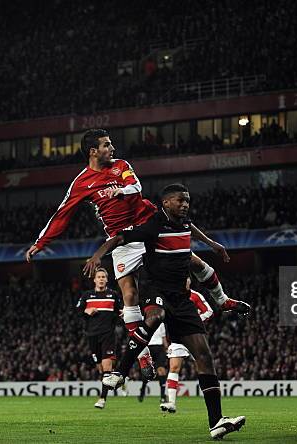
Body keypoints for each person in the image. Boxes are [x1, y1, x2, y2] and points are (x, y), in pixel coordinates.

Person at [25, 129, 247, 378]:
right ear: (93, 151)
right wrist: (41, 242)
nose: (112, 148)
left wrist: (121, 191)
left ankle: (222, 300)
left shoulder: (121, 166)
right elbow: (62, 213)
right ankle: (143, 357)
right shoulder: (82, 182)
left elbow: (136, 186)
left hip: (147, 227)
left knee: (193, 262)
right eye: (107, 145)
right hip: (121, 239)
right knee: (129, 295)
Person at [84, 183, 246, 439]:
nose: (185, 204)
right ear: (166, 203)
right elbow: (119, 238)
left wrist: (213, 243)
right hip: (155, 288)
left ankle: (216, 422)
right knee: (155, 316)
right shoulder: (154, 225)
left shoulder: (183, 224)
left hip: (181, 299)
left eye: (188, 201)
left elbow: (191, 229)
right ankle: (121, 372)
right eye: (180, 200)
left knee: (204, 355)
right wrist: (97, 256)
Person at [161, 288, 214, 414]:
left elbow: (209, 311)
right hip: (178, 338)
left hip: (194, 336)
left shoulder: (195, 296)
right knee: (173, 367)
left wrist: (193, 322)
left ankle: (211, 398)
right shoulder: (171, 295)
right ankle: (172, 403)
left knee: (203, 367)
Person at [76, 267, 123, 409]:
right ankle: (118, 379)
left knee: (106, 366)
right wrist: (86, 310)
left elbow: (120, 311)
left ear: (107, 279)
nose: (101, 279)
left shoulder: (113, 295)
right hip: (92, 336)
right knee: (100, 369)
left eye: (104, 276)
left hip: (108, 335)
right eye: (99, 277)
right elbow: (77, 310)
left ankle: (102, 399)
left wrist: (123, 314)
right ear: (95, 279)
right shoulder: (87, 296)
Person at [138, 323, 168, 403]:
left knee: (161, 370)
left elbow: (163, 337)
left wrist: (167, 348)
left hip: (159, 348)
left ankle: (162, 396)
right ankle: (142, 391)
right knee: (147, 372)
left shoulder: (161, 323)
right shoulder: (145, 321)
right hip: (148, 347)